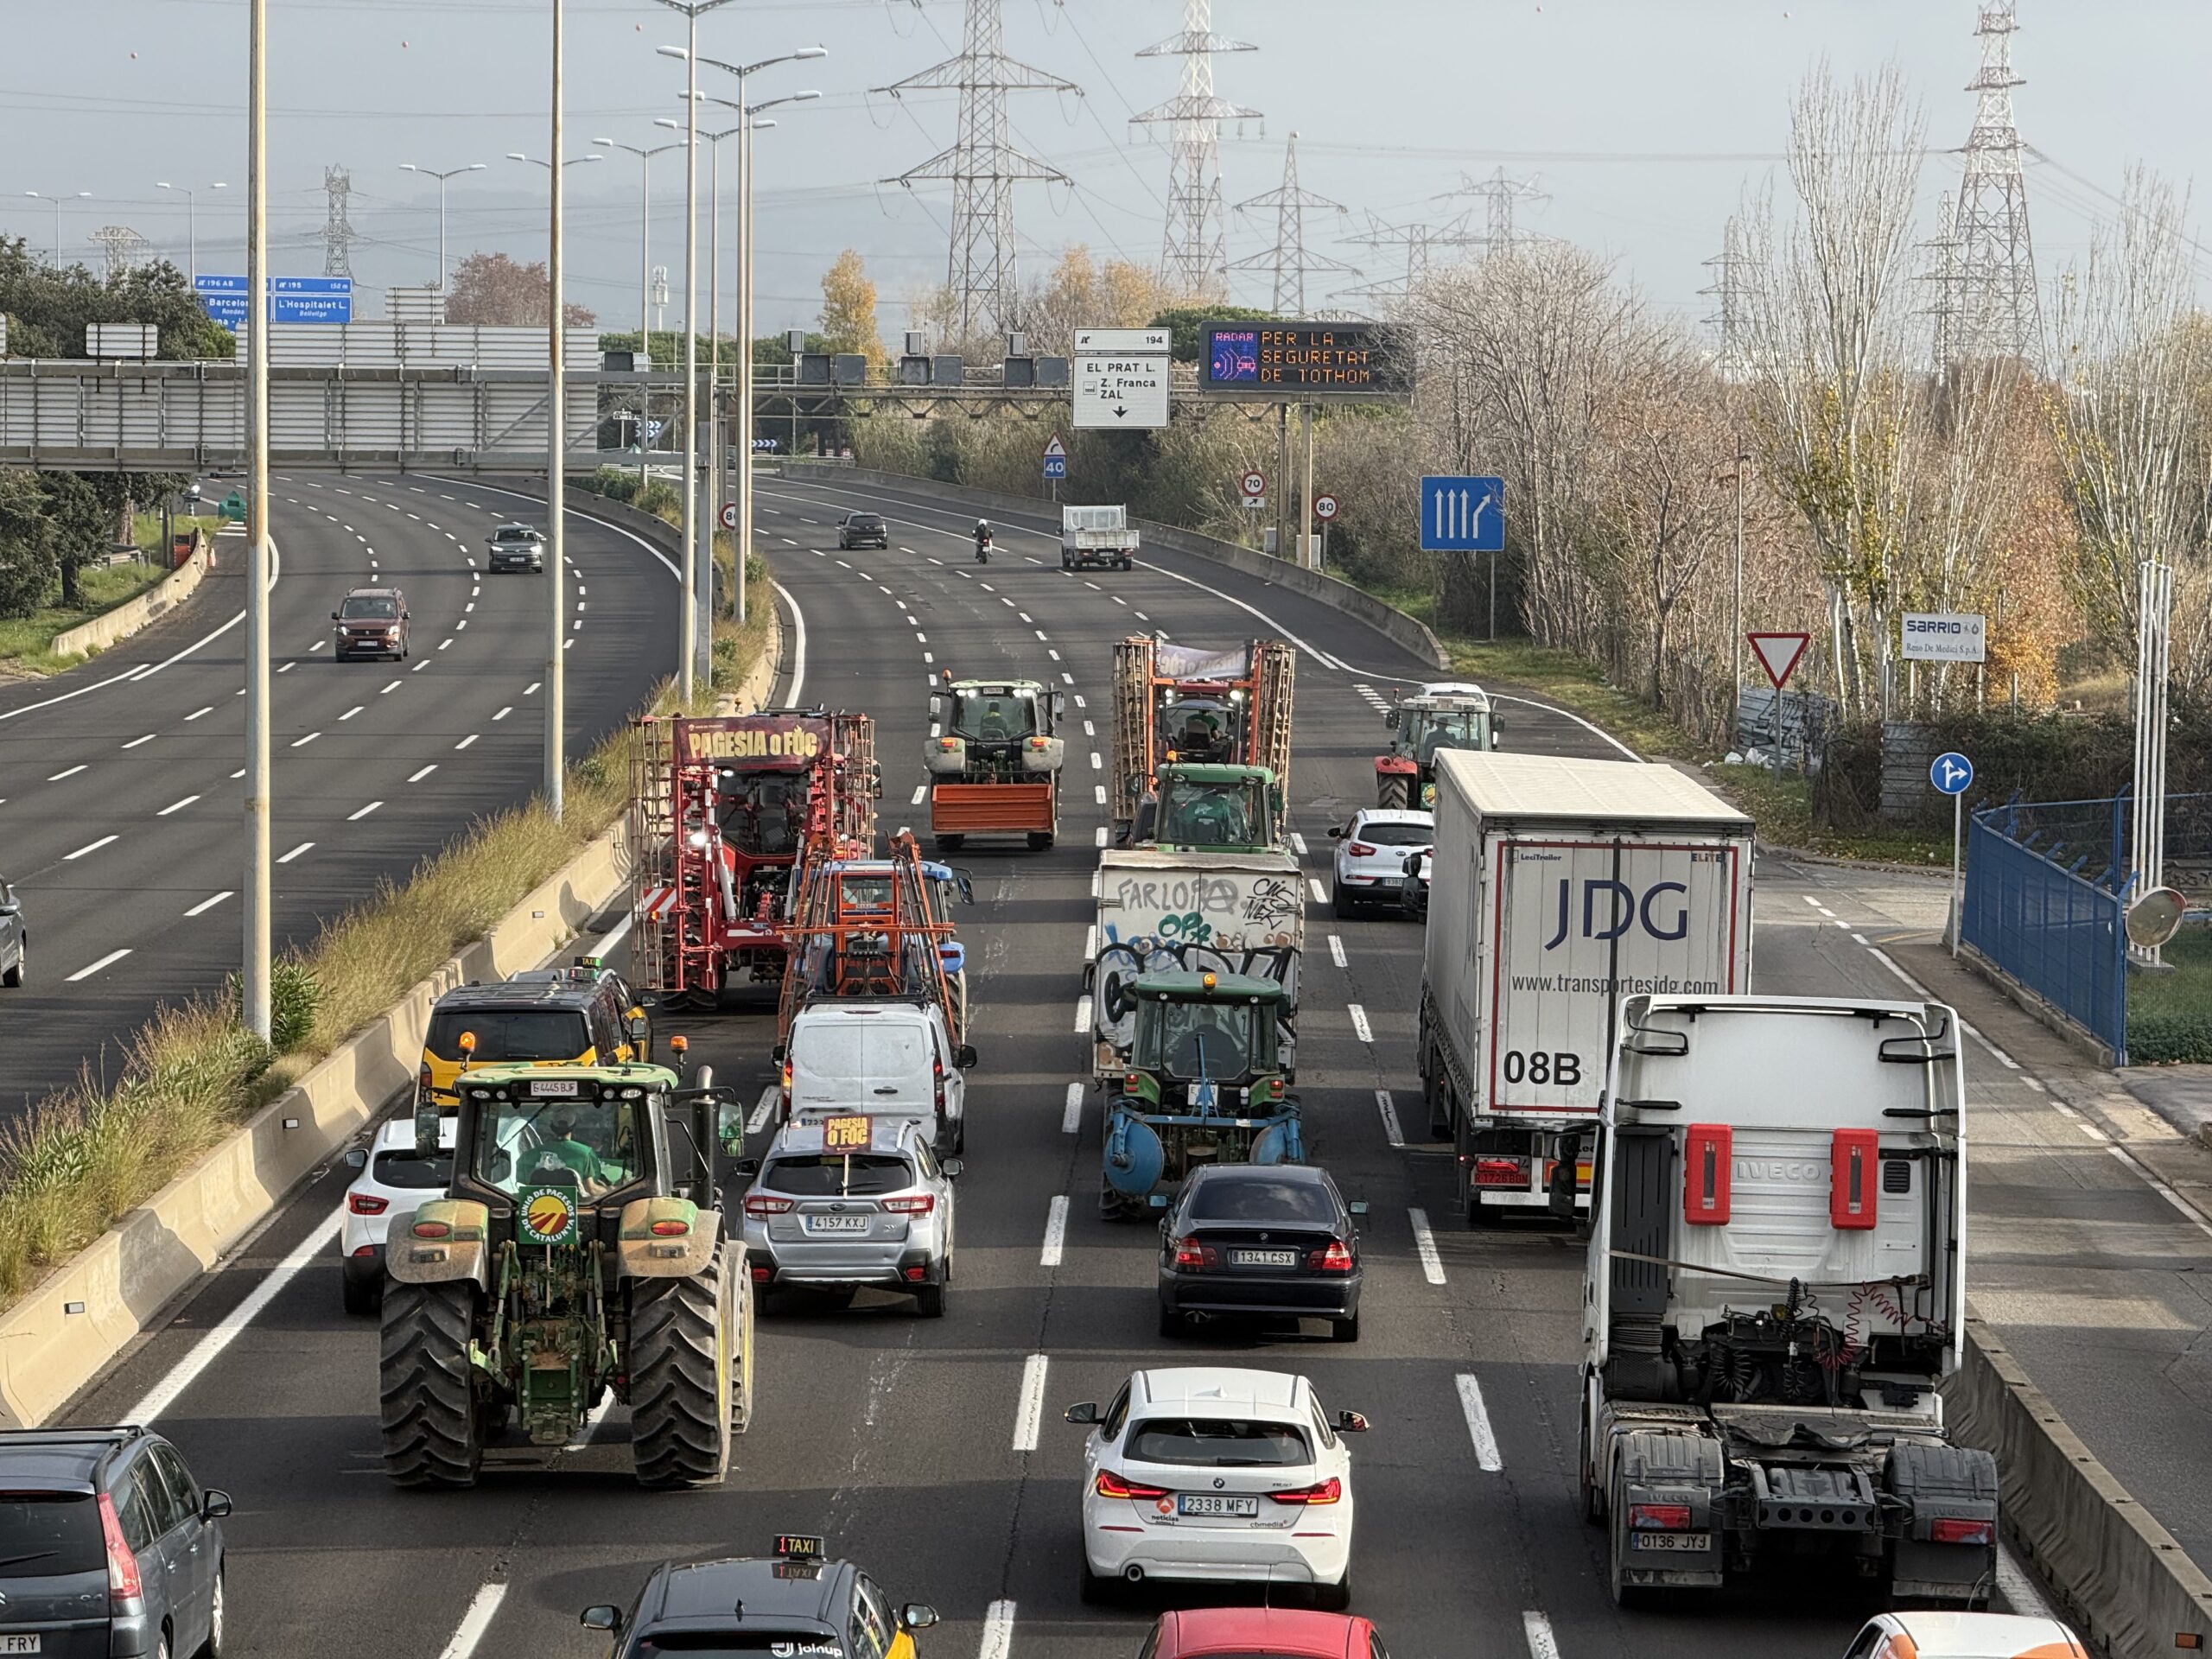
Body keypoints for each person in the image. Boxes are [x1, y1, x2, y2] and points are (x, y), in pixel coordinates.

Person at [531, 1105, 613, 1193]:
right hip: (580, 1202)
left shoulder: (529, 1155)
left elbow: (522, 1186)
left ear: (551, 1125)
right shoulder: (584, 1153)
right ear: (574, 1125)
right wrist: (614, 1189)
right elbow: (591, 1189)